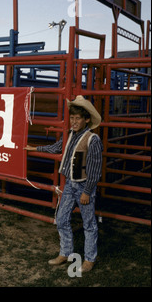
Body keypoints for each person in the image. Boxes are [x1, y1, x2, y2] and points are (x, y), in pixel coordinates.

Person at [25, 95, 103, 273]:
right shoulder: (70, 135)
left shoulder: (92, 140)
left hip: (84, 187)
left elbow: (94, 171)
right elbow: (56, 148)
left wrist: (87, 192)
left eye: (78, 119)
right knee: (61, 218)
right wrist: (36, 148)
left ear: (87, 120)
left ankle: (90, 258)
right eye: (72, 118)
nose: (74, 122)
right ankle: (66, 252)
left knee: (89, 223)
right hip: (70, 184)